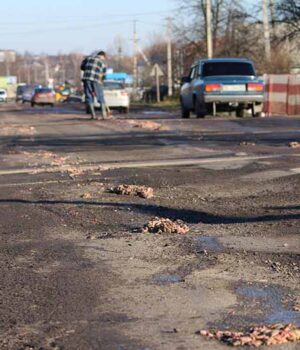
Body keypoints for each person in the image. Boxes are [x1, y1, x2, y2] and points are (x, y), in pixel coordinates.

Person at [81, 51, 107, 120]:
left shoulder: (88, 58)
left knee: (89, 96)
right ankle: (104, 115)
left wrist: (87, 69)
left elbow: (82, 67)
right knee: (100, 96)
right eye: (104, 58)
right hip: (96, 80)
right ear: (103, 56)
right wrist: (102, 81)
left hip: (86, 79)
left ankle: (93, 115)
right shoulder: (102, 63)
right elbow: (104, 75)